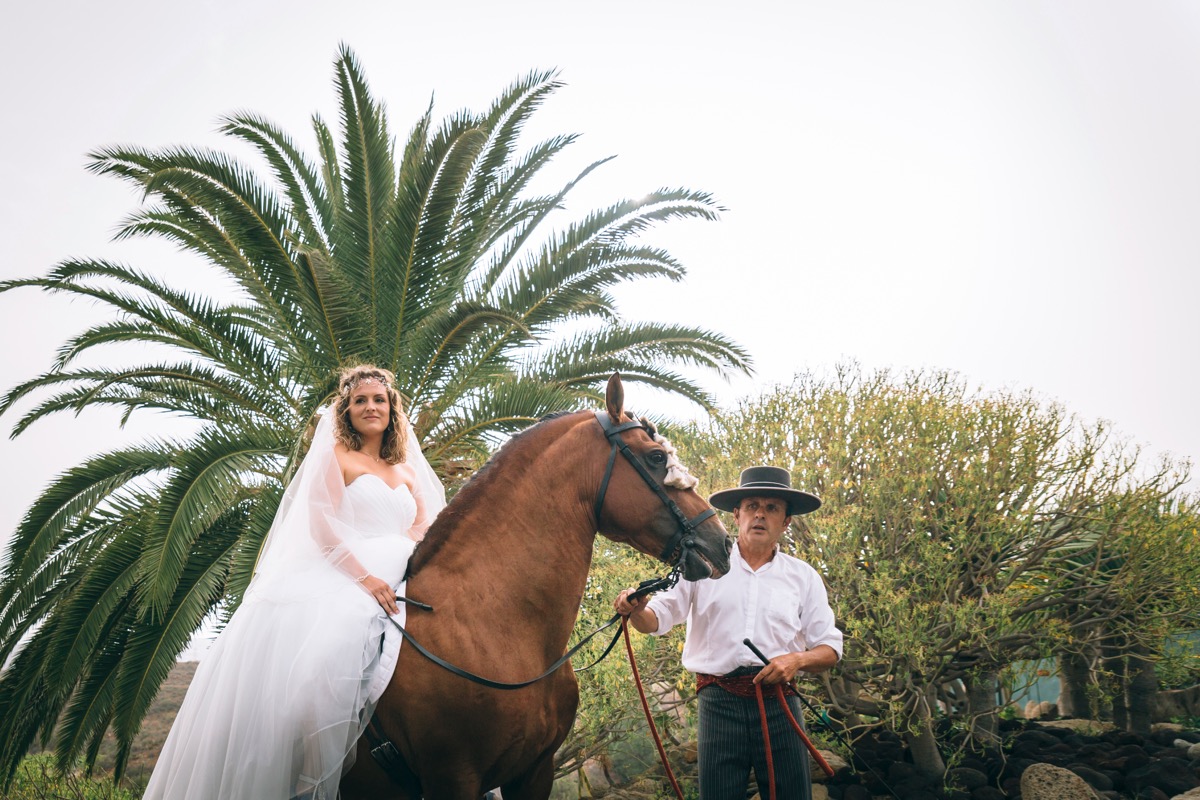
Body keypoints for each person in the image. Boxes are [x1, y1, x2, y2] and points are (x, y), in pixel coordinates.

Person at [144, 365, 446, 800]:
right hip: (350, 572)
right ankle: (308, 777)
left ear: (392, 408)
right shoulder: (337, 457)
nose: (370, 407)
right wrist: (365, 578)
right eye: (360, 400)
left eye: (378, 399)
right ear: (346, 410)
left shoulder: (407, 470)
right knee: (322, 666)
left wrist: (407, 546)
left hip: (403, 568)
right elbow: (320, 524)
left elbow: (424, 523)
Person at [614, 466, 842, 800]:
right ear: (736, 515)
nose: (760, 515)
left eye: (772, 508)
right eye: (752, 506)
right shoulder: (702, 566)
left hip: (781, 702)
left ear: (786, 521)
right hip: (718, 702)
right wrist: (635, 610)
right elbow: (656, 618)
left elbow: (830, 649)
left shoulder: (803, 577)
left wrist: (795, 660)